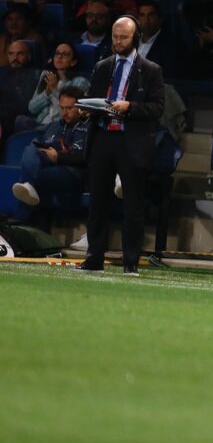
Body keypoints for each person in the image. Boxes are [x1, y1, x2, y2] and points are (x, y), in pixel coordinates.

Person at [75, 16, 165, 276]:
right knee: (97, 204)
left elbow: (158, 108)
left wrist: (131, 107)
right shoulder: (103, 66)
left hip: (131, 141)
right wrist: (86, 110)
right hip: (104, 138)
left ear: (135, 38)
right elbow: (94, 96)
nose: (118, 41)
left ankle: (130, 262)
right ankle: (94, 260)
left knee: (133, 206)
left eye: (123, 37)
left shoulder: (150, 70)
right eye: (115, 36)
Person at [11, 85, 90, 207]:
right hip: (50, 164)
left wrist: (58, 157)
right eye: (62, 108)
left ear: (81, 108)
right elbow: (43, 146)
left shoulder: (88, 127)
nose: (64, 113)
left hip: (72, 171)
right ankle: (28, 187)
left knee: (32, 178)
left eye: (69, 108)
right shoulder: (54, 125)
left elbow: (83, 158)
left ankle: (24, 217)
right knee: (31, 147)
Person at [25, 43, 91, 128]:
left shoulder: (80, 82)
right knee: (21, 120)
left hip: (60, 125)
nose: (59, 57)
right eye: (57, 53)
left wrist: (54, 90)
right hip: (40, 123)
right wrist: (47, 92)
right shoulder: (46, 75)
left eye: (65, 54)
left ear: (73, 62)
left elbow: (70, 113)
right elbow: (32, 108)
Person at [0, 40, 39, 138]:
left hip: (16, 120)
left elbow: (25, 106)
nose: (14, 58)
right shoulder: (2, 73)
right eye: (11, 54)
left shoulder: (35, 76)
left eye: (20, 54)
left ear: (29, 56)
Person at [137, 0, 181, 76]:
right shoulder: (131, 41)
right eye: (142, 15)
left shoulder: (171, 45)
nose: (146, 21)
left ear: (160, 19)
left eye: (151, 15)